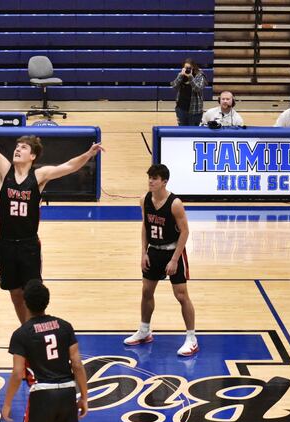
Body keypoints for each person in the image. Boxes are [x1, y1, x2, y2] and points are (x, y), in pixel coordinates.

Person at [0, 85, 104, 323]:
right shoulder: (3, 170)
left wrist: (88, 154)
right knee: (15, 293)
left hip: (28, 245)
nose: (18, 149)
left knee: (32, 293)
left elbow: (68, 167)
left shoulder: (39, 176)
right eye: (17, 147)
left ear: (33, 156)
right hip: (5, 244)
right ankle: (26, 329)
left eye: (23, 148)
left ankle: (36, 329)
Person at [124, 164, 198, 357]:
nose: (150, 181)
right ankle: (145, 330)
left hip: (173, 251)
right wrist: (143, 253)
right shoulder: (144, 200)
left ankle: (191, 338)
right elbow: (145, 227)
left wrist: (174, 259)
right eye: (149, 177)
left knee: (181, 295)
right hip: (154, 252)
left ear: (164, 181)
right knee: (146, 291)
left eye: (155, 178)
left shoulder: (175, 203)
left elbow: (185, 231)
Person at [1, 280, 89, 422]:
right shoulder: (65, 326)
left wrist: (7, 403)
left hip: (42, 394)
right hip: (67, 392)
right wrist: (84, 396)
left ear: (25, 303)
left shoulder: (21, 334)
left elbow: (17, 373)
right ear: (47, 301)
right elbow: (77, 364)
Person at [171, 58, 207, 126]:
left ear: (193, 67)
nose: (187, 70)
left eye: (189, 68)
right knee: (182, 131)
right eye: (185, 68)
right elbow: (174, 86)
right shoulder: (181, 75)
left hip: (195, 110)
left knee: (193, 132)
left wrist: (190, 77)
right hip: (181, 108)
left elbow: (198, 88)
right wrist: (180, 75)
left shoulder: (200, 75)